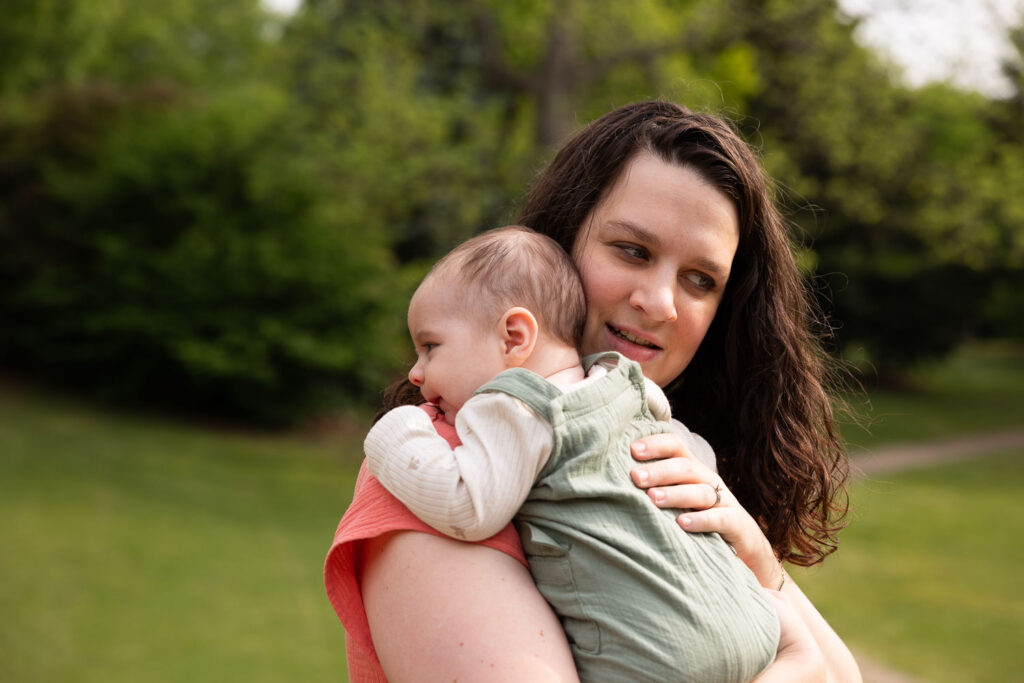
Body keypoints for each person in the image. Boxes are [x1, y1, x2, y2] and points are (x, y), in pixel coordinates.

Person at [325, 100, 860, 682]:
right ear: (560, 241)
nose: (660, 303)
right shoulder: (436, 472)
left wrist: (758, 558)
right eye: (633, 250)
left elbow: (845, 676)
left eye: (700, 280)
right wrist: (798, 664)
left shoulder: (658, 461)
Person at [364, 225, 779, 681]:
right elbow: (683, 442)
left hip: (659, 660)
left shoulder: (514, 405)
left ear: (514, 337)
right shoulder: (619, 379)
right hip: (752, 621)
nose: (416, 373)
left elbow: (469, 505)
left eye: (430, 347)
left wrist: (396, 431)